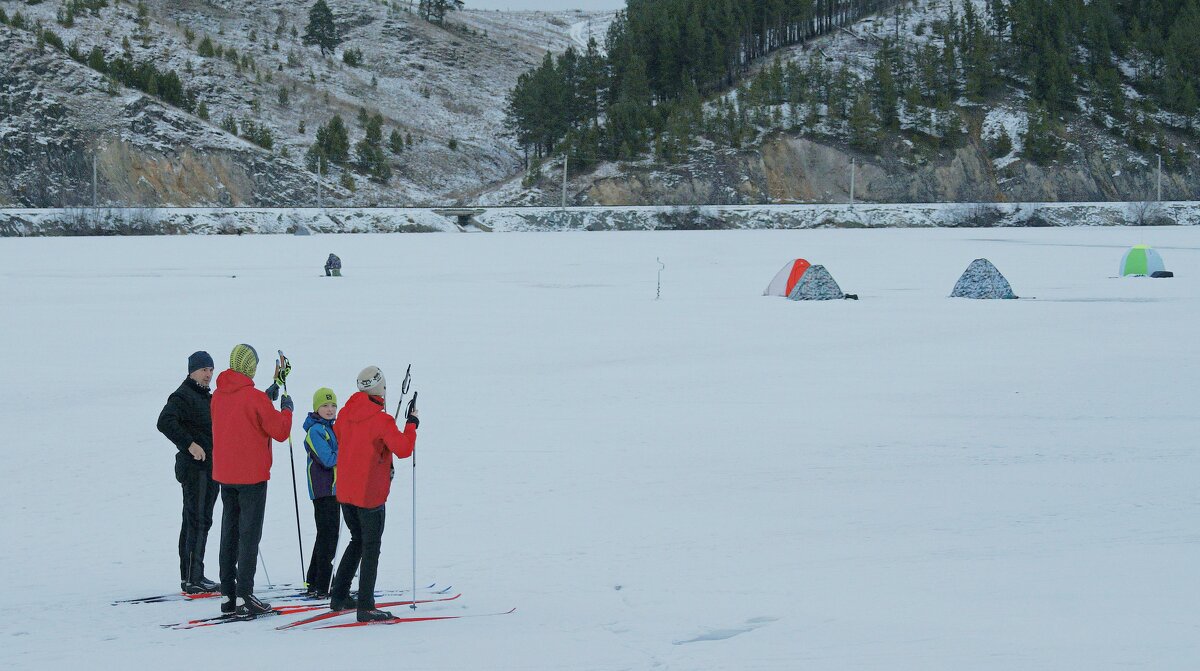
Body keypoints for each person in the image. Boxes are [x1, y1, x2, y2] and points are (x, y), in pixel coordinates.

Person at [328, 366, 419, 622]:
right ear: (380, 389)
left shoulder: (345, 414)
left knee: (356, 541)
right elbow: (403, 448)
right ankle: (366, 606)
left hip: (346, 492)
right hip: (370, 494)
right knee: (370, 547)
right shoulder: (382, 420)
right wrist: (411, 425)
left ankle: (339, 595)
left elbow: (342, 436)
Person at [211, 344, 294, 616]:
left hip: (226, 475)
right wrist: (286, 410)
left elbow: (244, 411)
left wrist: (268, 394)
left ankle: (228, 593)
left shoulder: (219, 395)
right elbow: (280, 431)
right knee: (249, 536)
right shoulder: (254, 398)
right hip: (252, 477)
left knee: (229, 532)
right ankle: (245, 595)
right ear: (250, 367)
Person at [156, 351, 220, 594]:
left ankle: (192, 576)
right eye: (204, 369)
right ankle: (193, 578)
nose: (208, 374)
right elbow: (164, 421)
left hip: (208, 467)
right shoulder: (184, 395)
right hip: (195, 468)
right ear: (192, 370)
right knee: (197, 520)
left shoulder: (205, 397)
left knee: (200, 519)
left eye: (211, 370)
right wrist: (190, 444)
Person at [303, 387, 340, 598]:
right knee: (329, 536)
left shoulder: (330, 429)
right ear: (316, 407)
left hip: (334, 489)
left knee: (325, 535)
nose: (329, 409)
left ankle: (315, 579)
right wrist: (347, 451)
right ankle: (324, 582)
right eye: (325, 405)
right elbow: (327, 459)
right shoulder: (316, 431)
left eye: (333, 405)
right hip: (323, 490)